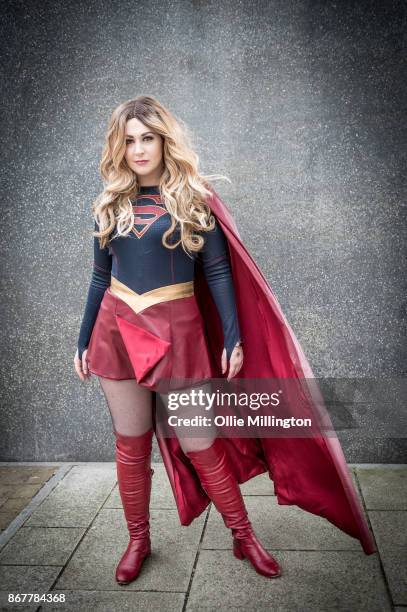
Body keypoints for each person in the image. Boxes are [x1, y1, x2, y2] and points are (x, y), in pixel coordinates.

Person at [74, 95, 282, 584]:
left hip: (179, 331)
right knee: (131, 445)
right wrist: (82, 340)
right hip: (116, 329)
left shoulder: (194, 197)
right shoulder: (110, 201)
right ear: (118, 147)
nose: (139, 149)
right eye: (129, 140)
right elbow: (99, 278)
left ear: (164, 141)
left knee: (201, 443)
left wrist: (233, 337)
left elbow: (218, 270)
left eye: (148, 138)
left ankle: (243, 534)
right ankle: (138, 540)